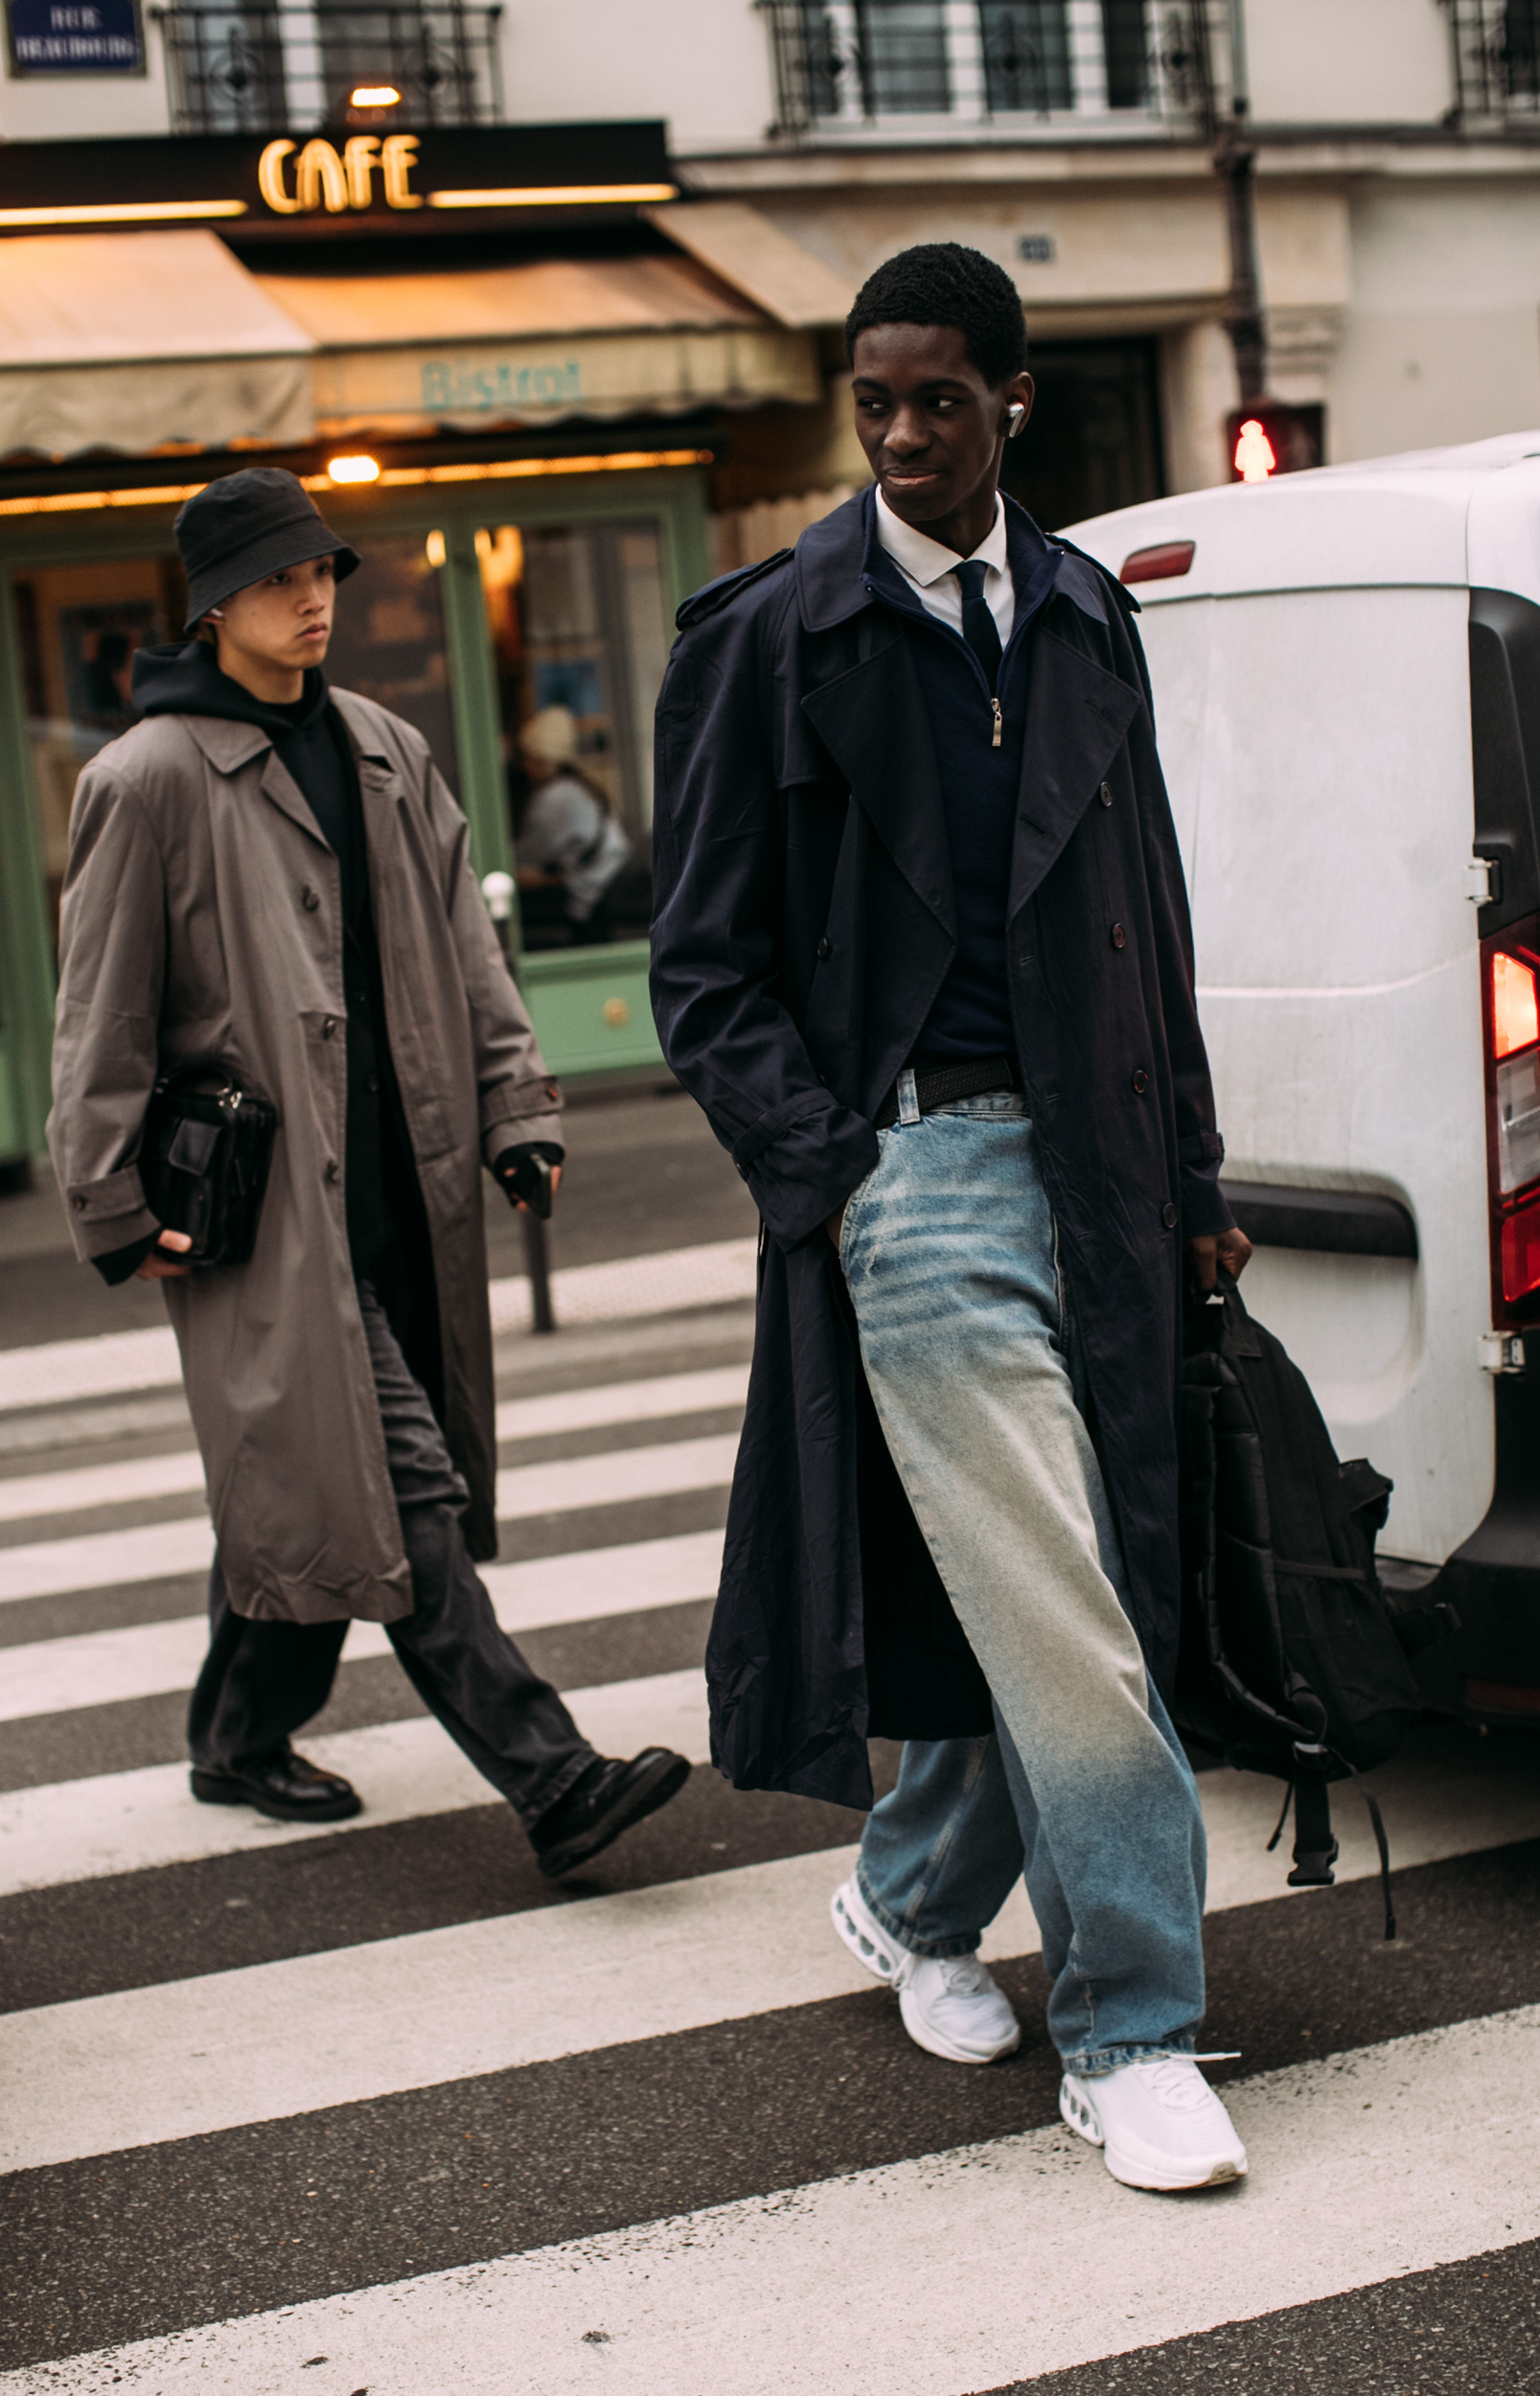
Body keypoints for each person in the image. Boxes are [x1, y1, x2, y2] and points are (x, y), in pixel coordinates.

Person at [650, 245, 1253, 2191]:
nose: (898, 433)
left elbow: (1145, 920)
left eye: (934, 397)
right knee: (1082, 1617)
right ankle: (1133, 2030)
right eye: (869, 399)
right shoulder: (764, 634)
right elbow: (701, 965)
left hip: (1099, 1171)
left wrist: (1194, 1186)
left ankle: (911, 1899)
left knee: (1042, 1591)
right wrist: (827, 1166)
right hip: (913, 1182)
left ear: (1008, 397)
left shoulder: (1080, 613)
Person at [47, 468, 688, 1879]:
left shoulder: (386, 748)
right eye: (283, 578)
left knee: (305, 1484)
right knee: (395, 1486)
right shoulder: (145, 781)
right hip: (266, 1213)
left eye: (326, 571)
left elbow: (468, 948)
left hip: (410, 1181)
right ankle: (551, 1776)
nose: (315, 595)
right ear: (214, 605)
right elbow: (102, 1010)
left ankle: (235, 1732)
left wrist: (518, 1104)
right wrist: (108, 1193)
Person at [511, 706, 632, 946]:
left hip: (593, 899)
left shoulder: (555, 797)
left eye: (527, 757)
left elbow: (526, 857)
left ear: (539, 758)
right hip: (607, 890)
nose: (525, 765)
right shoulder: (582, 787)